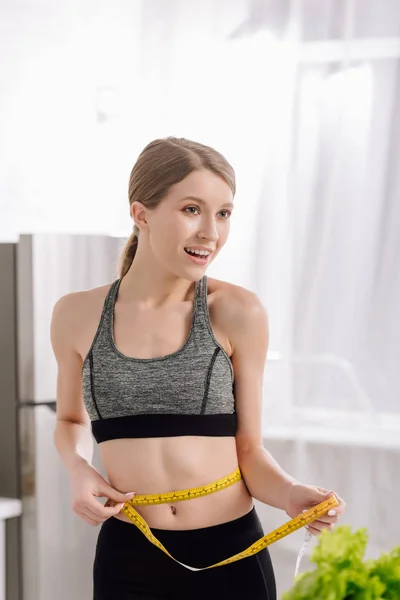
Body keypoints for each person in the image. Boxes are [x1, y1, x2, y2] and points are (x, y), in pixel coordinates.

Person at [51, 137, 346, 600]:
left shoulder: (237, 312)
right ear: (141, 213)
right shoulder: (76, 314)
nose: (211, 232)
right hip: (129, 554)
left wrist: (289, 493)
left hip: (231, 554)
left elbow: (249, 449)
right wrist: (78, 467)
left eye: (224, 213)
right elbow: (70, 420)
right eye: (192, 209)